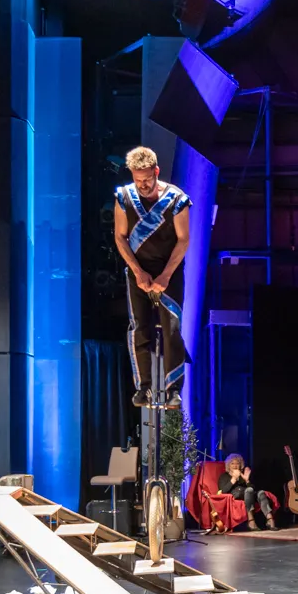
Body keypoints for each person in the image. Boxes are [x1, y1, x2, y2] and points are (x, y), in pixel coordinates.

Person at [114, 146, 191, 408]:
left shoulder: (177, 199)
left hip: (169, 271)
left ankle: (173, 389)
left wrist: (166, 275)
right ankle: (143, 387)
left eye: (147, 179)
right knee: (139, 327)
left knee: (172, 328)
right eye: (138, 180)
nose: (143, 185)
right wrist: (138, 272)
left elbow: (183, 240)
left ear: (156, 171)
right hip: (138, 271)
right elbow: (120, 238)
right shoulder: (124, 197)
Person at [218, 454, 278, 531]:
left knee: (261, 493)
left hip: (249, 494)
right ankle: (251, 521)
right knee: (248, 490)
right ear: (228, 465)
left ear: (240, 465)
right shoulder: (224, 476)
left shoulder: (244, 475)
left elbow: (253, 488)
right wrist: (233, 479)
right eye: (232, 463)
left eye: (237, 463)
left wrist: (247, 480)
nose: (235, 465)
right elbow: (223, 491)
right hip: (235, 495)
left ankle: (270, 520)